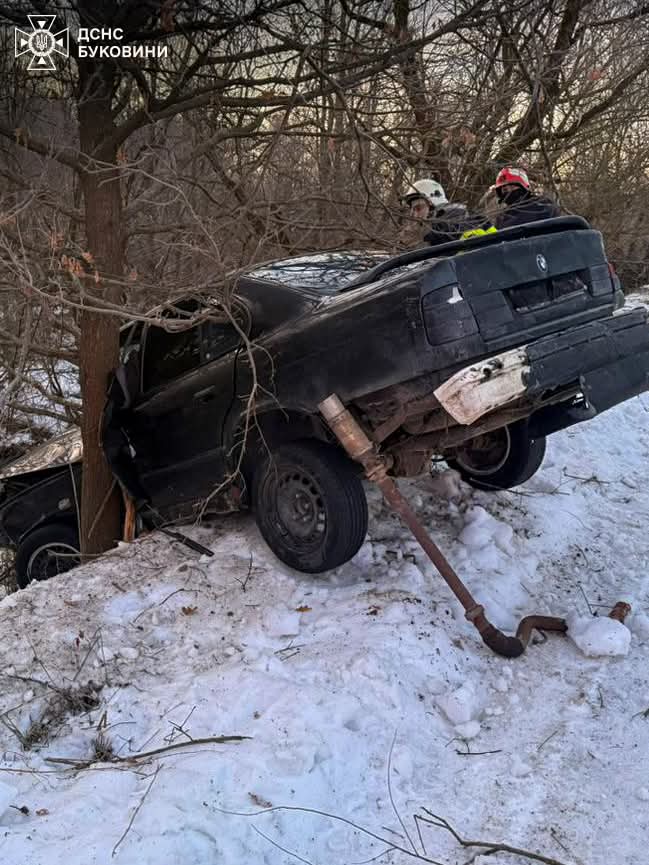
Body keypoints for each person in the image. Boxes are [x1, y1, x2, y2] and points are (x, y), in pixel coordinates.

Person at [400, 178, 495, 248]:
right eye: (412, 210)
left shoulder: (445, 226)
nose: (414, 215)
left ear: (432, 204)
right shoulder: (468, 215)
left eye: (418, 208)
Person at [493, 167, 560, 229]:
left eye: (512, 187)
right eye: (505, 190)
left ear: (523, 187)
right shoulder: (502, 217)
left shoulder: (542, 205)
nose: (509, 191)